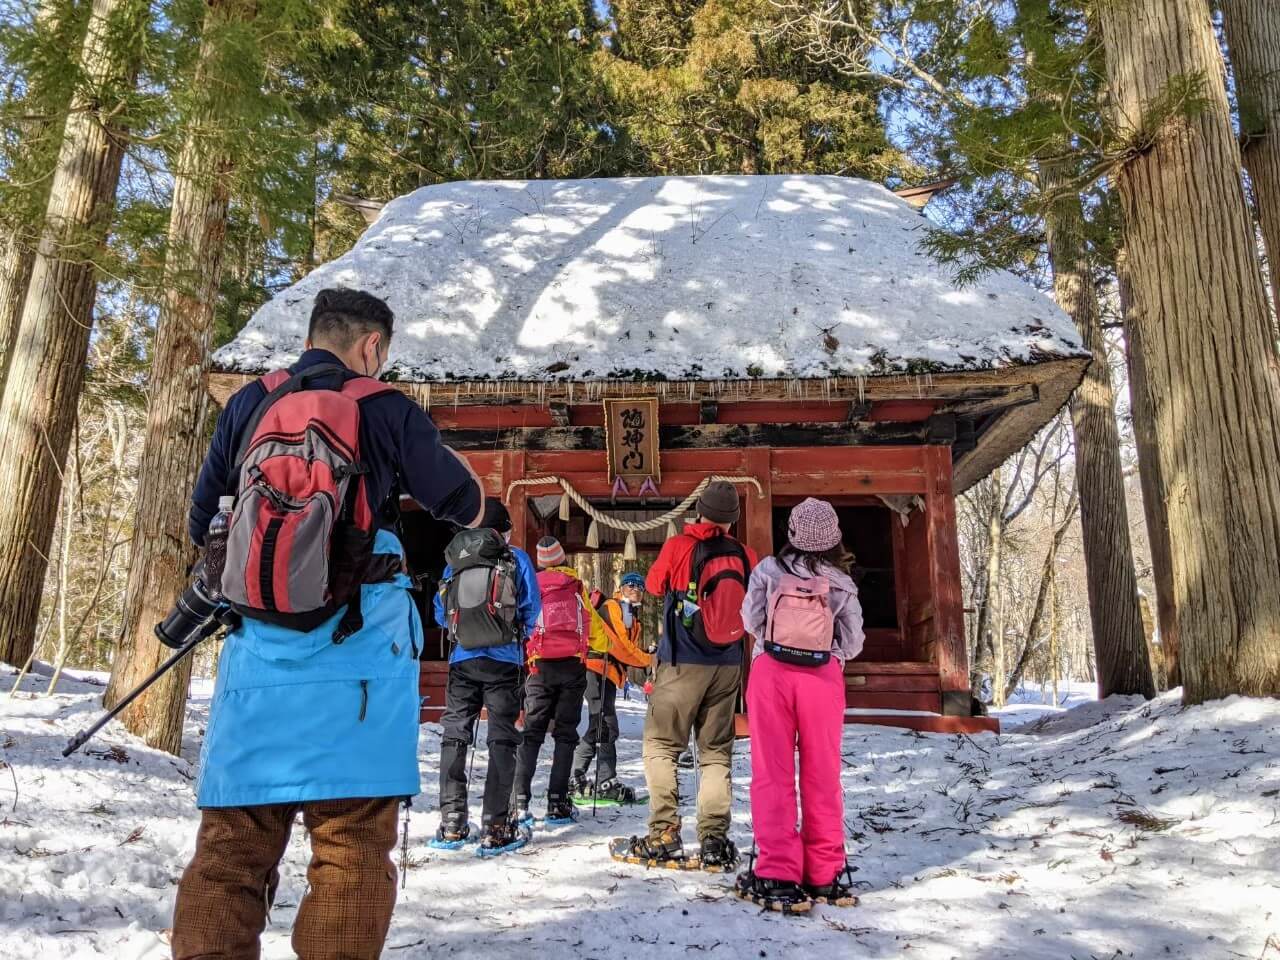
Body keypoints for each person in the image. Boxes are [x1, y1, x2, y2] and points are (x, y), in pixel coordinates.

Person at [172, 288, 483, 960]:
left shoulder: (251, 402)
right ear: (372, 346)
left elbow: (203, 524)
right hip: (359, 666)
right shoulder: (385, 406)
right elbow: (462, 498)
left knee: (229, 853)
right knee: (350, 853)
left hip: (258, 662)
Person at [737, 498, 864, 913]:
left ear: (791, 533)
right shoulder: (841, 582)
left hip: (771, 672)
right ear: (834, 539)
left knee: (772, 772)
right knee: (822, 774)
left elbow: (750, 620)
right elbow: (854, 641)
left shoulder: (768, 572)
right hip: (822, 679)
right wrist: (829, 656)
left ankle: (777, 872)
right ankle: (826, 873)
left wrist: (775, 645)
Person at [630, 480, 757, 868]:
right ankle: (715, 839)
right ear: (732, 520)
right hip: (728, 664)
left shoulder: (679, 547)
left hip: (682, 663)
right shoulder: (745, 555)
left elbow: (653, 586)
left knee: (662, 746)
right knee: (716, 752)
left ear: (699, 512)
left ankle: (665, 833)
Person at [433, 498, 541, 853]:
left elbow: (440, 611)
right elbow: (531, 609)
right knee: (502, 738)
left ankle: (452, 820)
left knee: (455, 735)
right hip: (504, 660)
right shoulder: (515, 559)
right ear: (504, 530)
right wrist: (512, 630)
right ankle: (496, 824)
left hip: (463, 660)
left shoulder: (457, 562)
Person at [511, 536, 609, 824]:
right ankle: (557, 802)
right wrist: (604, 648)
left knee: (531, 733)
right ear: (563, 559)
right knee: (565, 735)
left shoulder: (530, 587)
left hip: (538, 667)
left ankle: (519, 800)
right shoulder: (576, 589)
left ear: (539, 563)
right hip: (572, 668)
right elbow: (597, 633)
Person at [572, 571, 653, 802]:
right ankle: (605, 781)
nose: (635, 589)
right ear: (621, 587)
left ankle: (576, 777)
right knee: (606, 725)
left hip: (605, 671)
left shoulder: (630, 614)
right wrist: (648, 660)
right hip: (596, 668)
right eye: (630, 584)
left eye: (639, 586)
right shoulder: (613, 607)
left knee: (599, 725)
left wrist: (645, 657)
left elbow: (625, 648)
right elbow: (621, 646)